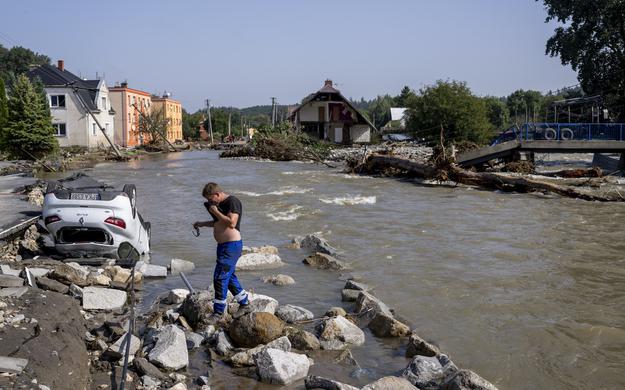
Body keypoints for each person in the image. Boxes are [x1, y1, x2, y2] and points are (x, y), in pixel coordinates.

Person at [193, 182, 248, 322]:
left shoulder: (232, 202)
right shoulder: (217, 206)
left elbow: (231, 223)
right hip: (223, 246)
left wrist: (214, 210)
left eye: (210, 199)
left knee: (220, 277)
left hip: (232, 246)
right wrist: (202, 223)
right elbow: (218, 222)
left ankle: (218, 313)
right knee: (229, 278)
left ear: (217, 194)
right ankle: (245, 304)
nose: (209, 202)